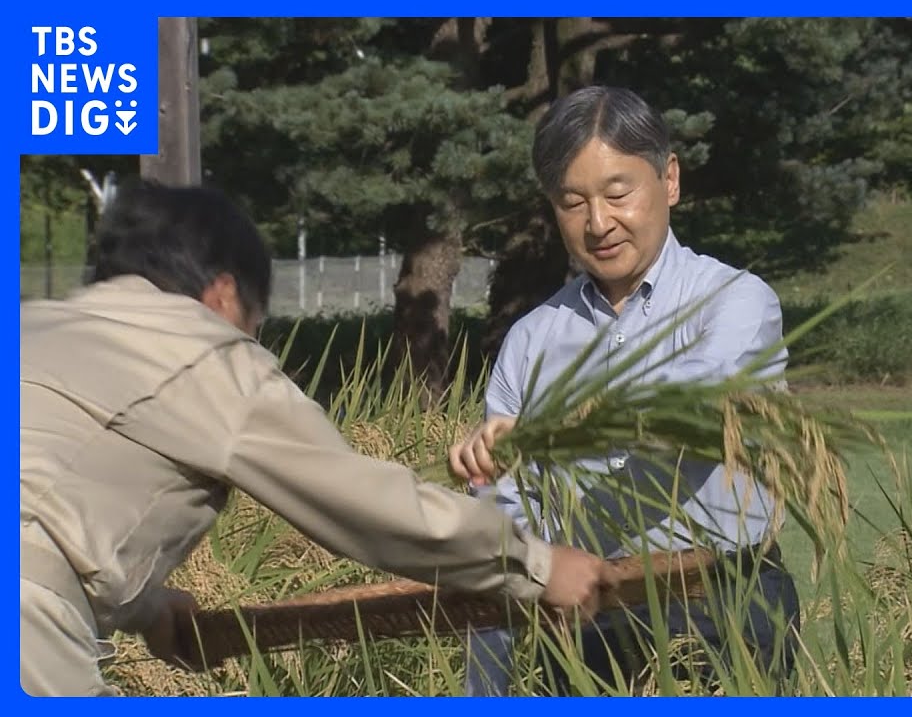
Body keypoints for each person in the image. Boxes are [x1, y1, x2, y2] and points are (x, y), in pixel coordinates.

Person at [19, 179, 613, 697]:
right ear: (225, 294)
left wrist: (144, 603)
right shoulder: (199, 351)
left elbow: (56, 490)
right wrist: (533, 564)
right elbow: (361, 502)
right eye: (257, 321)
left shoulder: (33, 323)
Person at [448, 85, 801, 696]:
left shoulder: (736, 302)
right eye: (572, 202)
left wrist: (544, 433)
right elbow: (511, 519)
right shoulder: (530, 340)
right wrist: (488, 471)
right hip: (584, 612)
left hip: (721, 603)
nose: (599, 223)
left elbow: (692, 403)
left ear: (669, 180)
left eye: (618, 194)